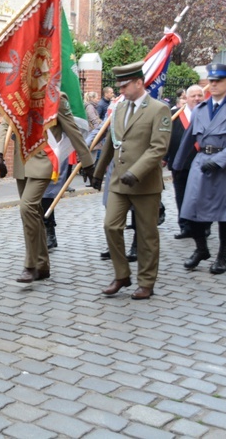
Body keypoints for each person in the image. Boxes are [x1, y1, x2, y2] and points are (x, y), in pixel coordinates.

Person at [0, 94, 95, 283]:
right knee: (34, 213)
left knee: (27, 207)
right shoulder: (16, 93)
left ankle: (30, 265)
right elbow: (6, 124)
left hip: (44, 160)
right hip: (22, 162)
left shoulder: (56, 98)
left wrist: (87, 162)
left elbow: (72, 130)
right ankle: (42, 265)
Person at [90, 61, 171, 300]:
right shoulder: (119, 109)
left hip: (144, 183)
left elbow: (158, 148)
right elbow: (112, 142)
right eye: (119, 86)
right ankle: (122, 274)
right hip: (118, 181)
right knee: (111, 226)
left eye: (125, 86)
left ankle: (146, 281)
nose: (120, 90)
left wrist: (136, 172)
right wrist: (97, 172)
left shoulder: (159, 109)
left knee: (147, 234)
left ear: (139, 82)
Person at [174, 63, 226, 274]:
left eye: (219, 81)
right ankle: (201, 249)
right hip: (201, 163)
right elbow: (189, 137)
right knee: (191, 210)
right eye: (211, 81)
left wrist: (220, 160)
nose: (214, 84)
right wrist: (178, 165)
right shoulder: (200, 109)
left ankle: (222, 257)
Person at [164, 84, 204, 239]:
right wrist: (164, 157)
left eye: (199, 95)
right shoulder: (174, 114)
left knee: (200, 196)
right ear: (186, 98)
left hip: (201, 162)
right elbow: (166, 137)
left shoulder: (208, 114)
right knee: (181, 195)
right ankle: (185, 226)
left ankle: (202, 226)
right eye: (193, 96)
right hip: (179, 163)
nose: (196, 99)